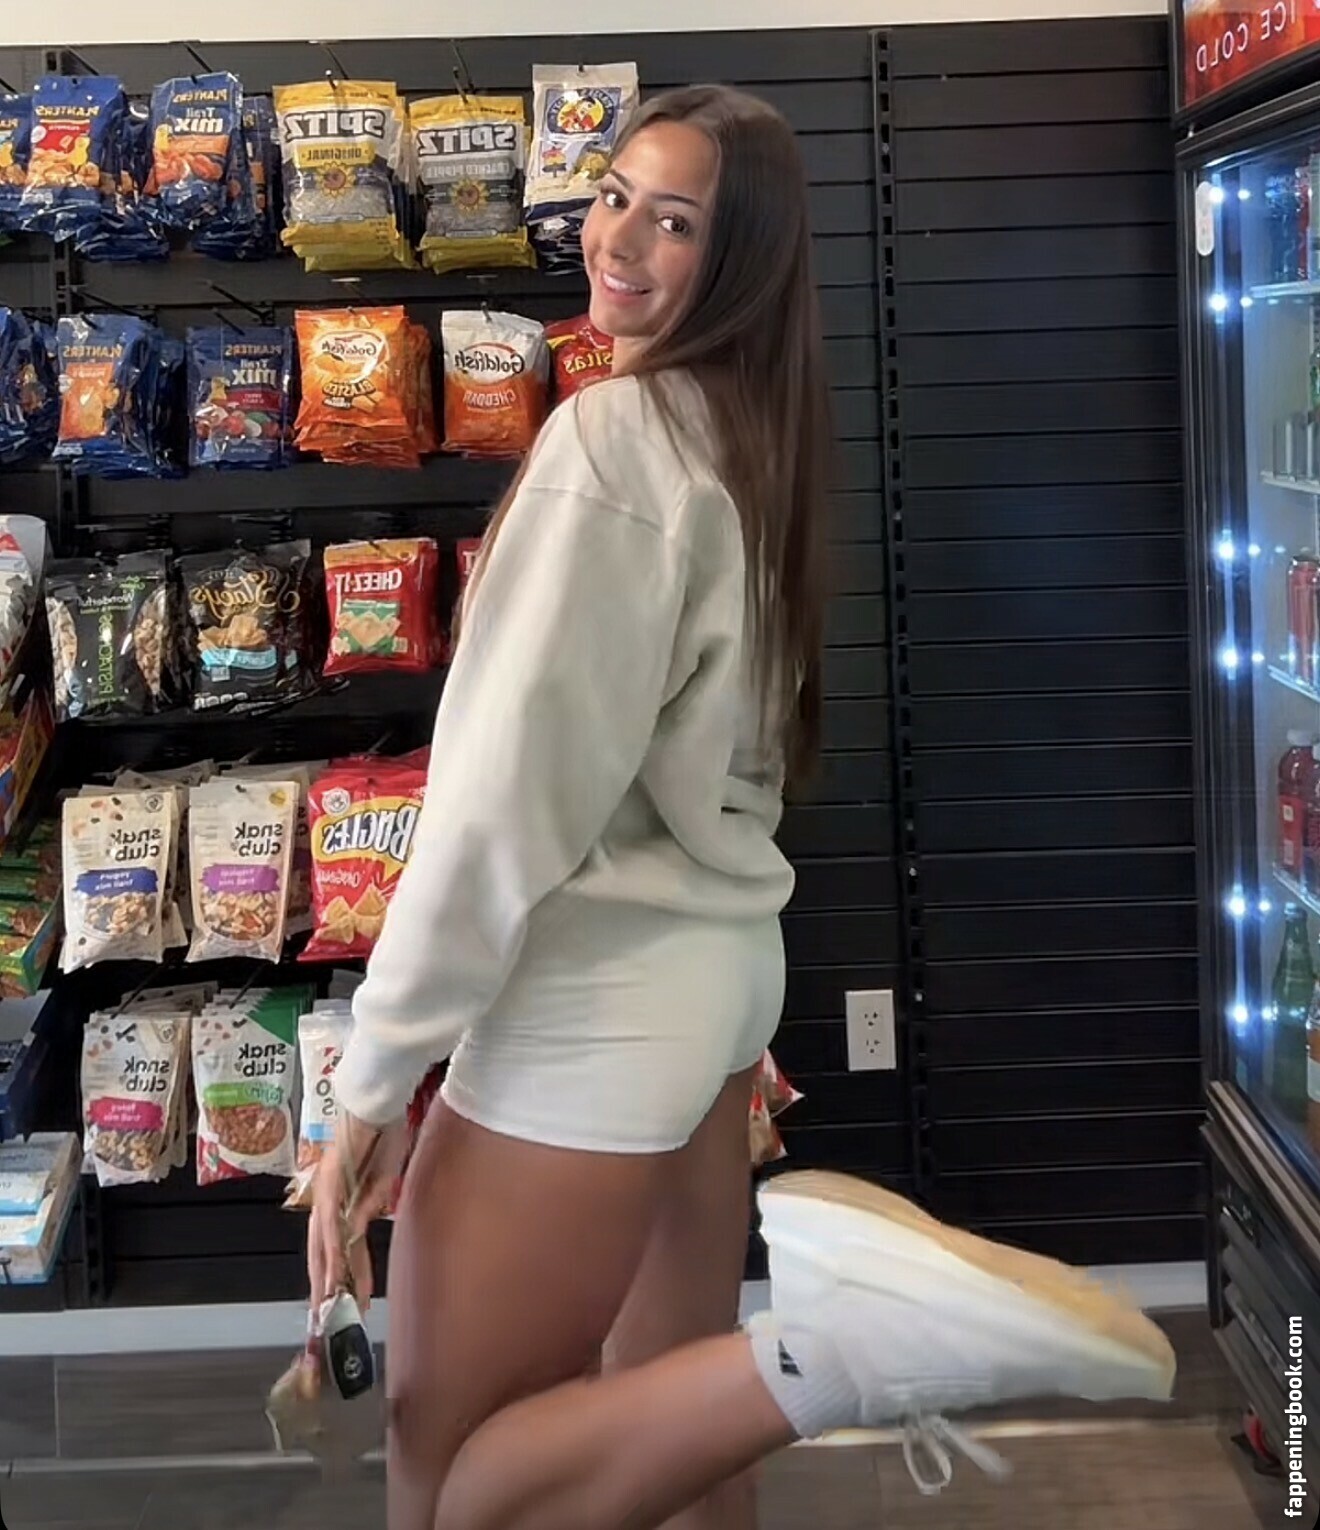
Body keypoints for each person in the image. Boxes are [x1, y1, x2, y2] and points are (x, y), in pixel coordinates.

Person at [307, 85, 1177, 1530]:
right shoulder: (746, 435)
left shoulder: (613, 446)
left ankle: (849, 1349)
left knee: (454, 1476)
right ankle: (829, 1350)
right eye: (614, 197)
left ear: (743, 260)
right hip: (708, 993)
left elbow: (500, 807)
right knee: (674, 1432)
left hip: (591, 1007)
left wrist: (371, 1081)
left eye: (676, 222)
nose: (619, 240)